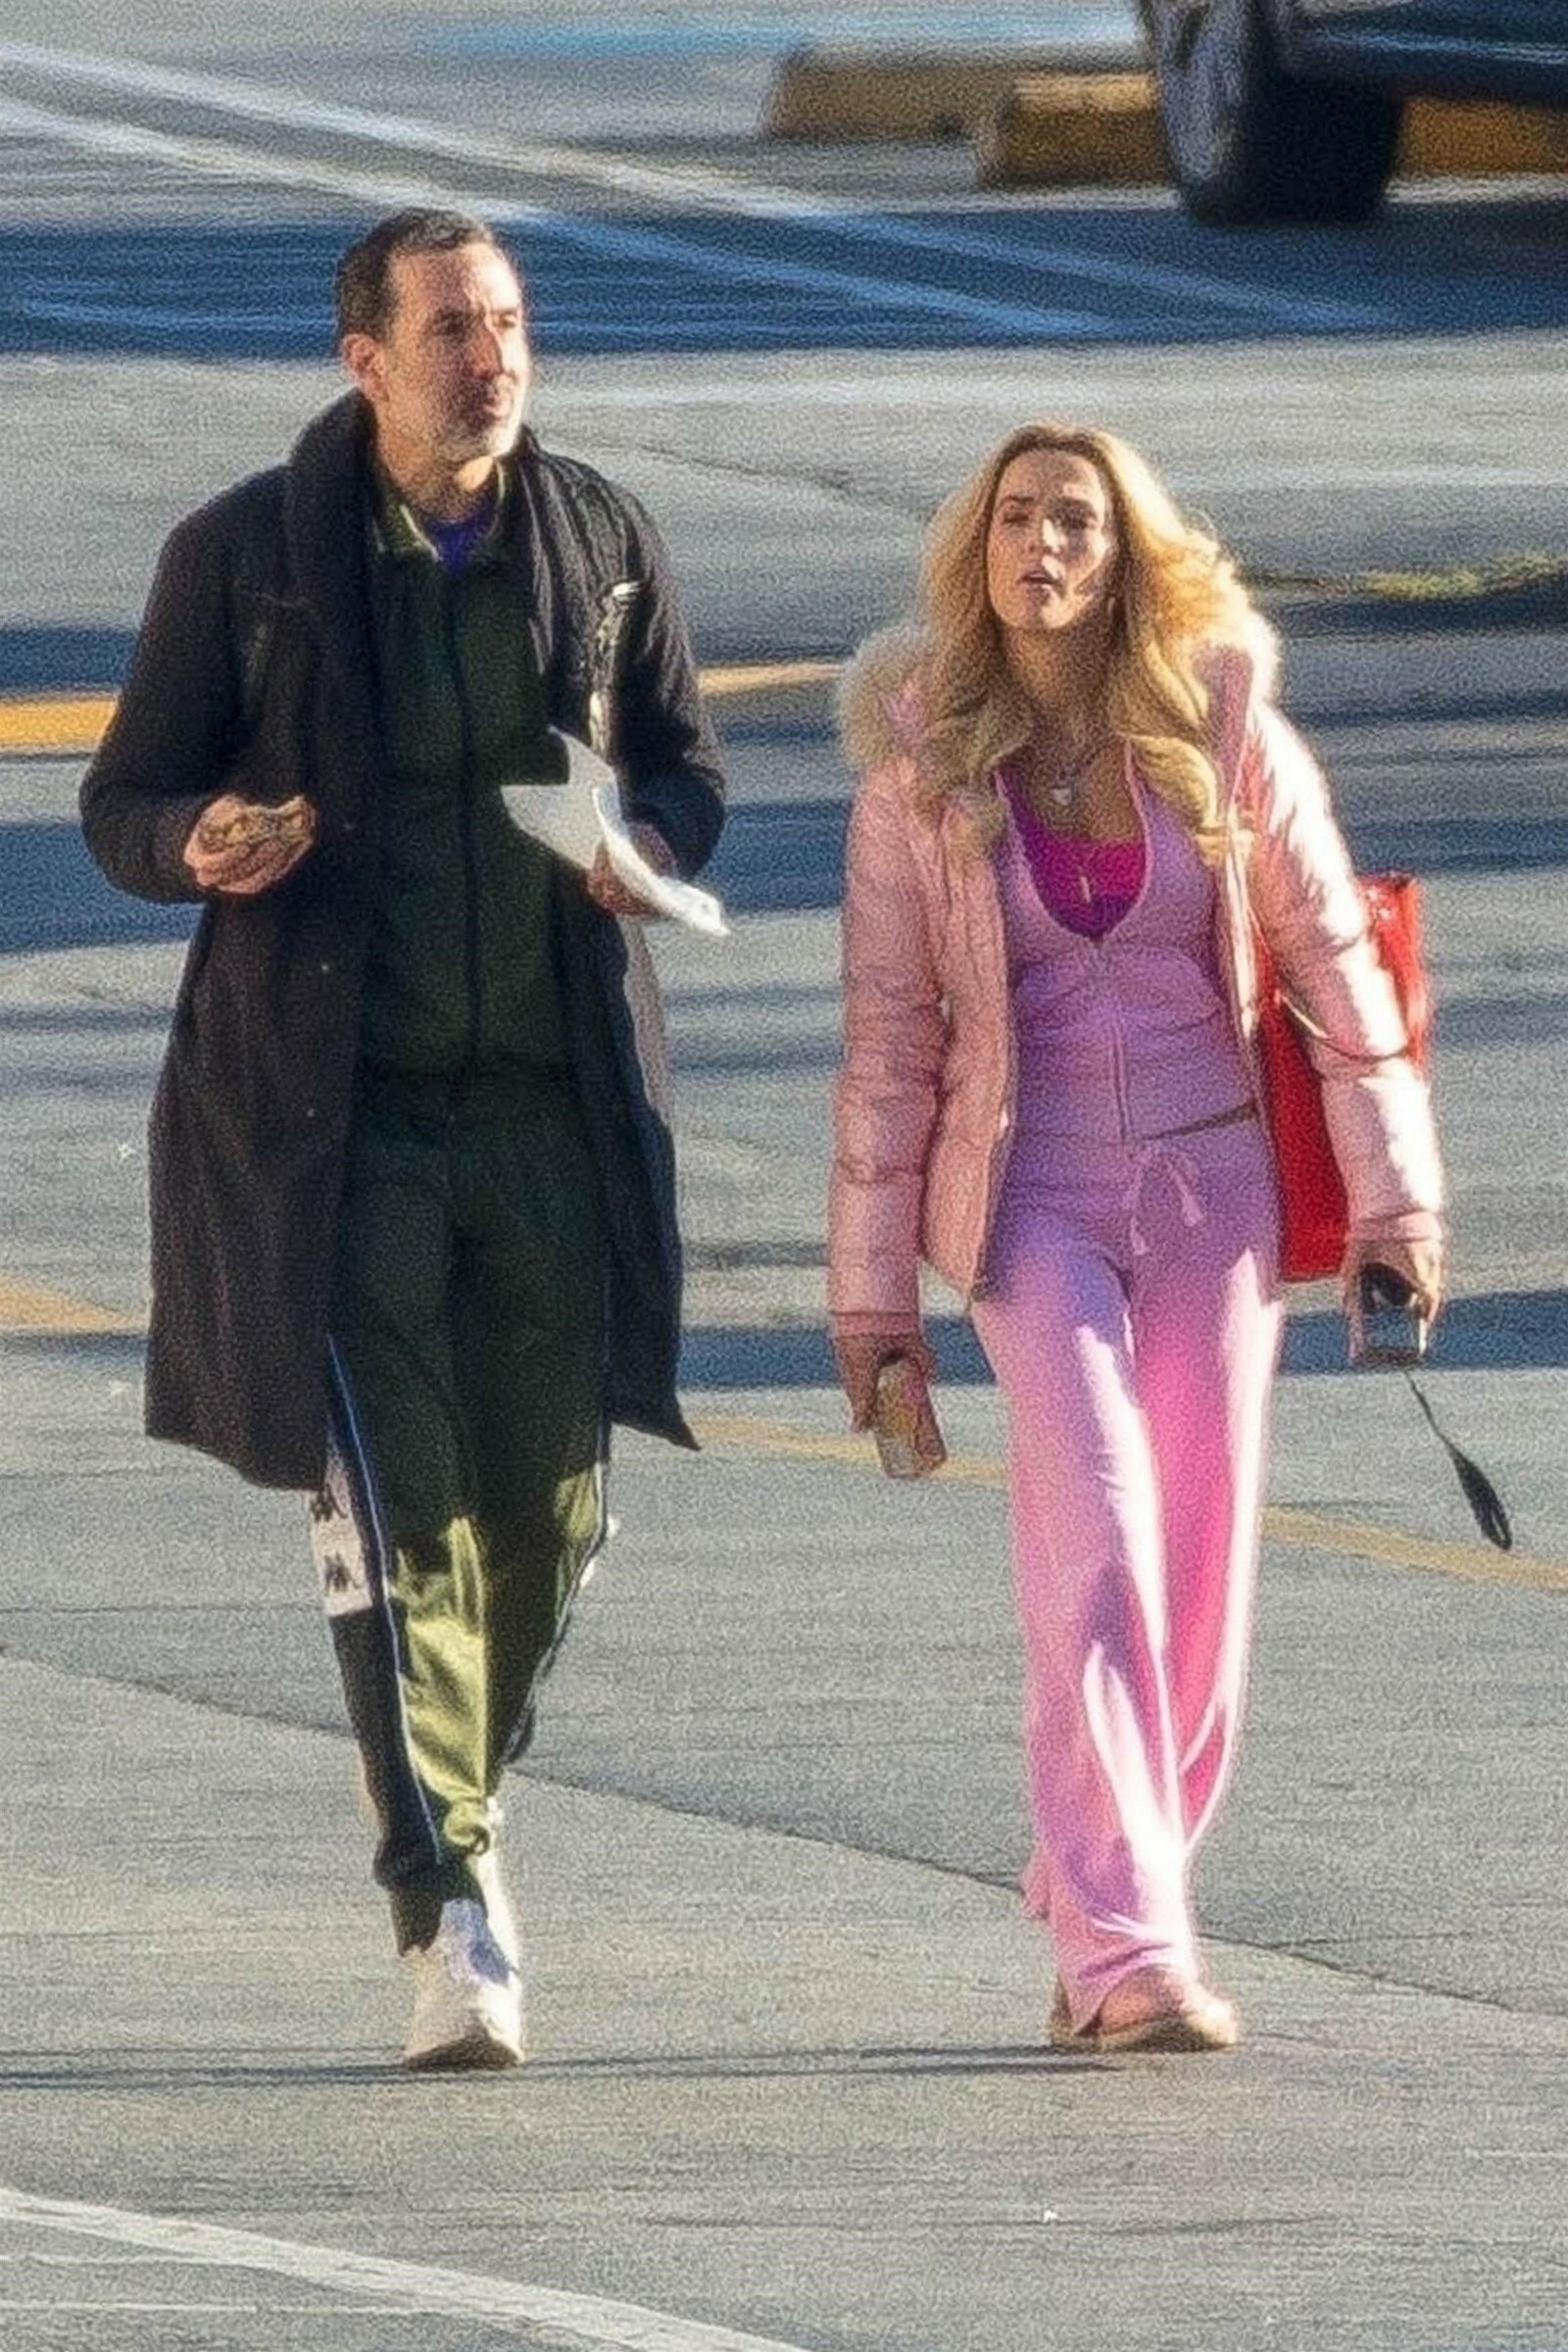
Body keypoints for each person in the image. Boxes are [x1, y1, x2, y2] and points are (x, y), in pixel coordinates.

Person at [80, 207, 726, 2071]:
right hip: (335, 1125)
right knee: (398, 1500)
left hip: (551, 1110)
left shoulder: (599, 541)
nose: (491, 356)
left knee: (547, 1514)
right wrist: (199, 841)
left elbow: (685, 761)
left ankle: (459, 1805)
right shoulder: (246, 558)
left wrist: (650, 846)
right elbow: (123, 800)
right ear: (362, 358)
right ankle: (444, 1906)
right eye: (451, 327)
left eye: (508, 321)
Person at [828, 423, 1443, 2054]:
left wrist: (1396, 1208)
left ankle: (1104, 1881)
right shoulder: (920, 773)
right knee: (1095, 1545)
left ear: (1124, 559)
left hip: (1214, 1192)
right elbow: (889, 1049)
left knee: (1198, 1591)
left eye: (1076, 522)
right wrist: (873, 1307)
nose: (1042, 544)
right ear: (978, 556)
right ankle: (1130, 1950)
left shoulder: (1226, 734)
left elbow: (1342, 980)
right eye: (1016, 519)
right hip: (1030, 1200)